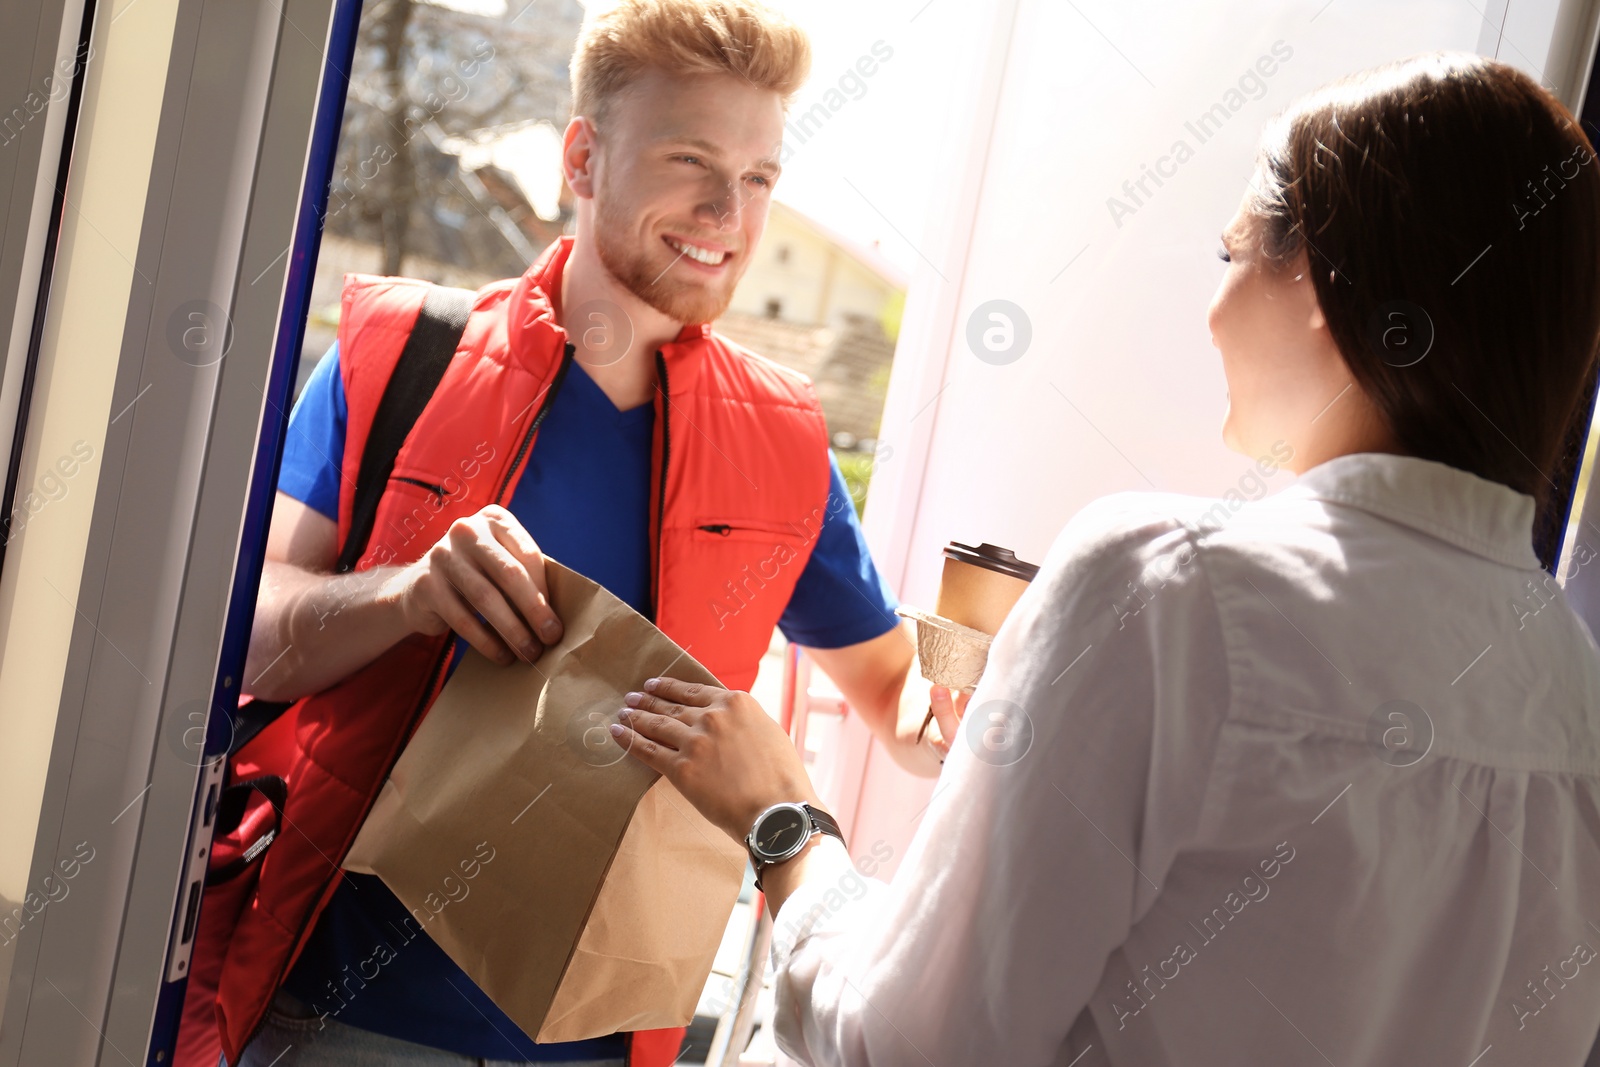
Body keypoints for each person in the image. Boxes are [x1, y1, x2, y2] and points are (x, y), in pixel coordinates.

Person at [615, 52, 1600, 1065]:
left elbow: (904, 1045)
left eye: (1229, 260)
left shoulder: (1168, 582)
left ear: (1318, 285)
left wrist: (783, 820)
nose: (1211, 316)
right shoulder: (1573, 688)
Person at [184, 3, 953, 1066]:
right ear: (583, 158)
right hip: (337, 1017)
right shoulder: (400, 353)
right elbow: (246, 636)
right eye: (691, 158)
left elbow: (904, 709)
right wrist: (406, 593)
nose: (728, 210)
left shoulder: (785, 443)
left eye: (762, 176)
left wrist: (990, 667)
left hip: (607, 1038)